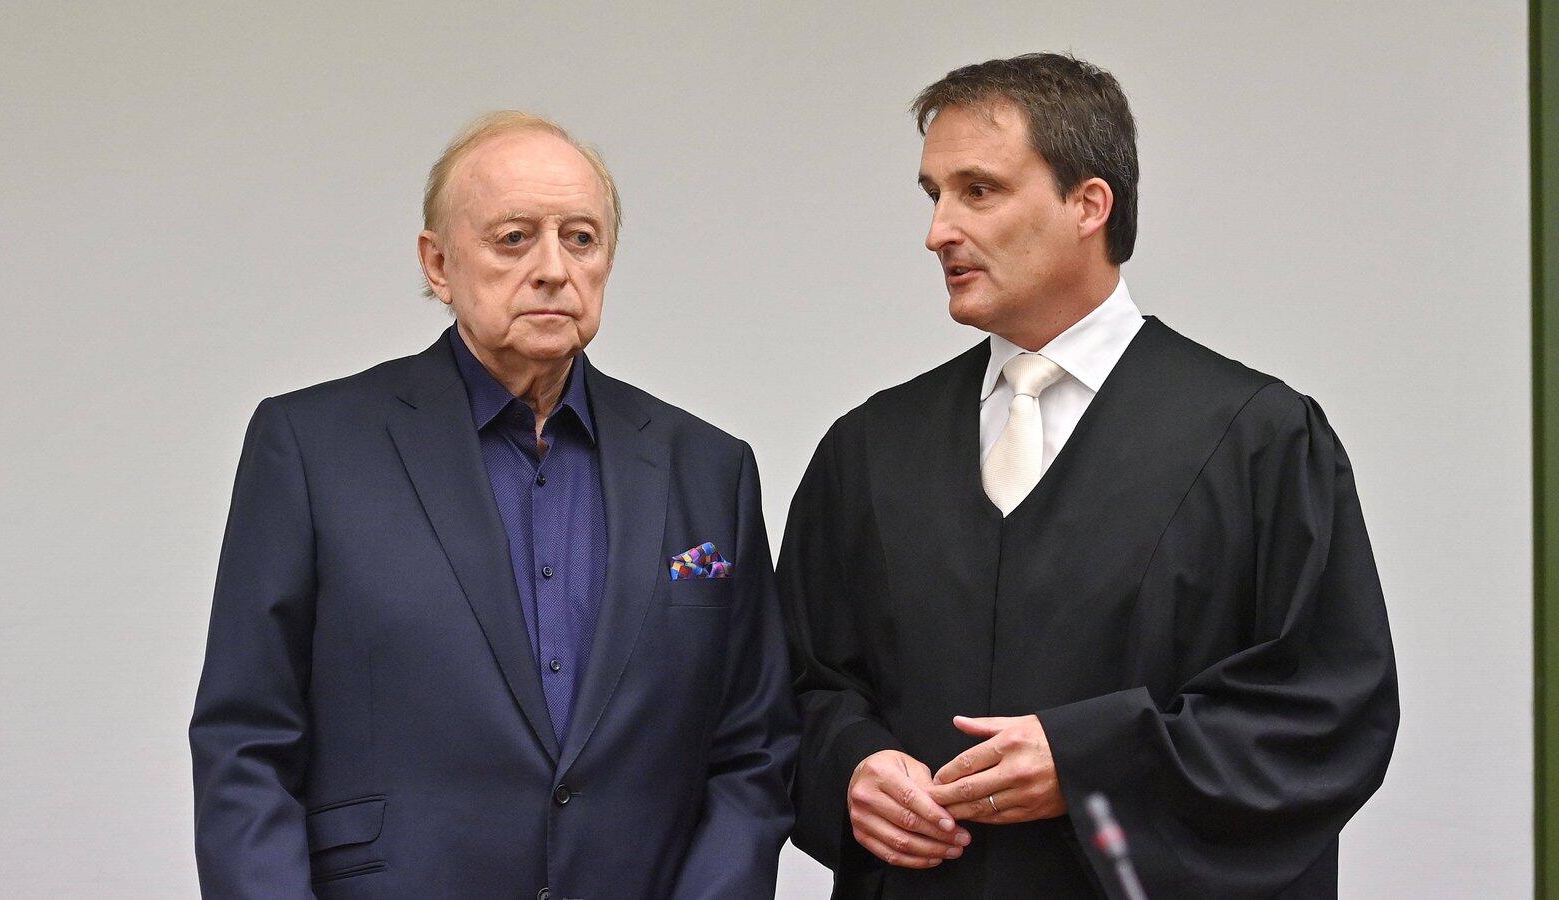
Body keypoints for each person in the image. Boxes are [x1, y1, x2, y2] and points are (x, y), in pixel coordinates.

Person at [781, 54, 1398, 898]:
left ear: (1089, 204)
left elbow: (1324, 712)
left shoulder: (1258, 441)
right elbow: (795, 687)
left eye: (979, 191)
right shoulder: (869, 449)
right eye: (934, 196)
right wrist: (850, 766)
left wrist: (1091, 762)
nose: (938, 232)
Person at [190, 111, 797, 898]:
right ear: (438, 264)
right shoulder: (312, 447)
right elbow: (246, 744)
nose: (553, 269)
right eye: (514, 238)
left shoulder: (709, 469)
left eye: (581, 238)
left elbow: (753, 751)